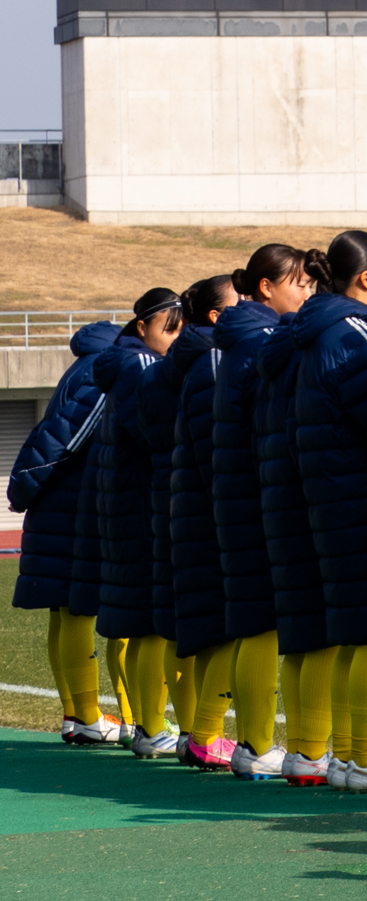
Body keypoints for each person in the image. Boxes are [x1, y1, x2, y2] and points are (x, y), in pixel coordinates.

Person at [292, 231, 367, 792]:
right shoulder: (356, 332)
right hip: (360, 496)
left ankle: (342, 757)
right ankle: (362, 757)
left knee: (347, 631)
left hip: (328, 494)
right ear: (366, 277)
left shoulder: (314, 332)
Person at [212, 247, 313, 780]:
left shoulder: (242, 333)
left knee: (256, 620)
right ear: (266, 287)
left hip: (241, 486)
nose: (306, 294)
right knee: (261, 622)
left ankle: (253, 741)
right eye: (298, 284)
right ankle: (253, 742)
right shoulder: (259, 337)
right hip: (253, 487)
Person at [9, 319, 124, 746]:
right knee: (79, 611)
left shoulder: (81, 367)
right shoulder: (102, 371)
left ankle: (76, 714)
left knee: (64, 613)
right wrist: (27, 484)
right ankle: (89, 715)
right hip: (73, 508)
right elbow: (66, 439)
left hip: (58, 507)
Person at [92, 288, 187, 756]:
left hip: (125, 502)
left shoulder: (125, 364)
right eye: (169, 328)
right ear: (143, 328)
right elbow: (151, 433)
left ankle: (138, 722)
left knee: (135, 621)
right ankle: (150, 727)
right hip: (142, 504)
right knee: (150, 623)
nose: (175, 338)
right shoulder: (142, 368)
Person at [257, 250, 335, 784]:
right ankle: (331, 753)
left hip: (279, 491)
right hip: (312, 494)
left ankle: (303, 752)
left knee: (299, 631)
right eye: (296, 284)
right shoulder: (309, 338)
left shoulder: (270, 343)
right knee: (334, 632)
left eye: (310, 284)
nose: (303, 293)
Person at [168, 277, 239, 768]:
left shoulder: (189, 361)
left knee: (205, 627)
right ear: (216, 317)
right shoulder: (212, 362)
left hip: (194, 509)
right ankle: (205, 734)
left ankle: (198, 732)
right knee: (228, 629)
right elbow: (217, 449)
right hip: (210, 513)